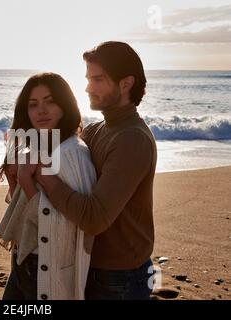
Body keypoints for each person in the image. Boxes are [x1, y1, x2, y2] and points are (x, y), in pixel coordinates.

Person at [34, 41, 157, 300]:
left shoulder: (132, 139)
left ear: (126, 84)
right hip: (93, 265)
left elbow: (94, 218)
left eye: (98, 79)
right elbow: (59, 150)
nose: (88, 87)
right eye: (88, 79)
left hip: (120, 277)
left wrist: (44, 175)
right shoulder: (97, 130)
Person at [0, 72, 97, 300]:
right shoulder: (41, 146)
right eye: (33, 104)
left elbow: (64, 228)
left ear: (65, 105)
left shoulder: (71, 153)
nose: (41, 110)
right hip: (23, 258)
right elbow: (23, 212)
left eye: (50, 101)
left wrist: (27, 181)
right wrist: (15, 177)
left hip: (44, 266)